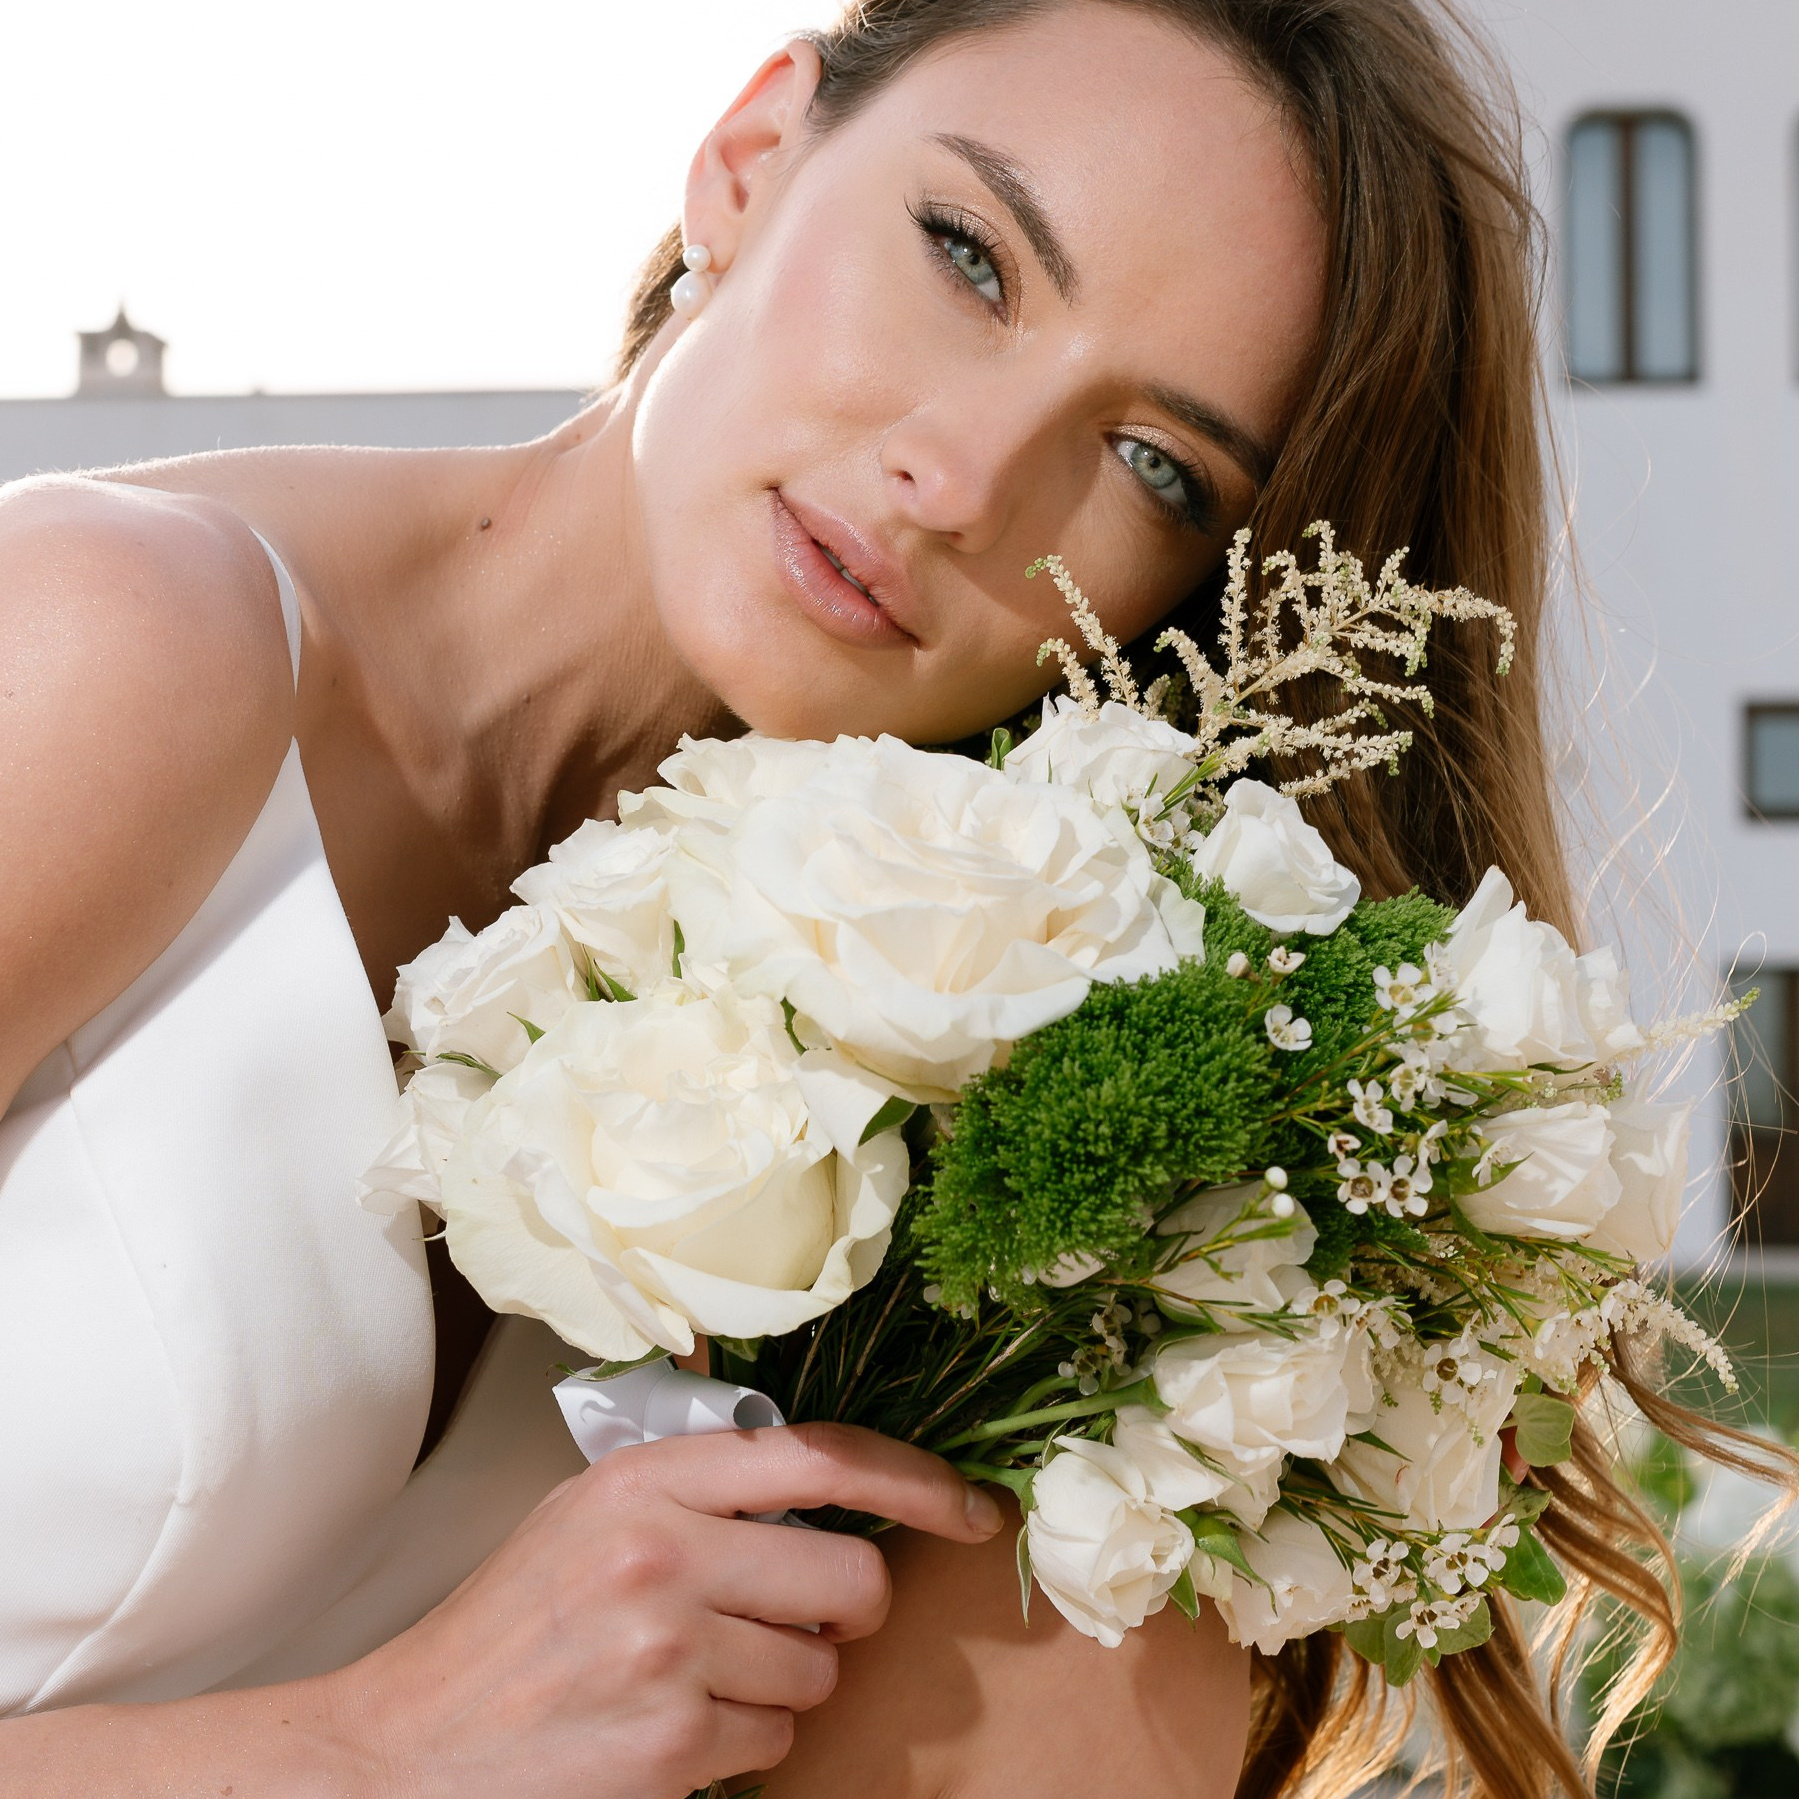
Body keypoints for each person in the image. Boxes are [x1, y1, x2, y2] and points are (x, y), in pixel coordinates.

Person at [0, 3, 1780, 1796]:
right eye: (968, 257)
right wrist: (365, 1751)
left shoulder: (957, 1061)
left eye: (1155, 462)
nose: (965, 478)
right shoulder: (105, 656)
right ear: (754, 156)